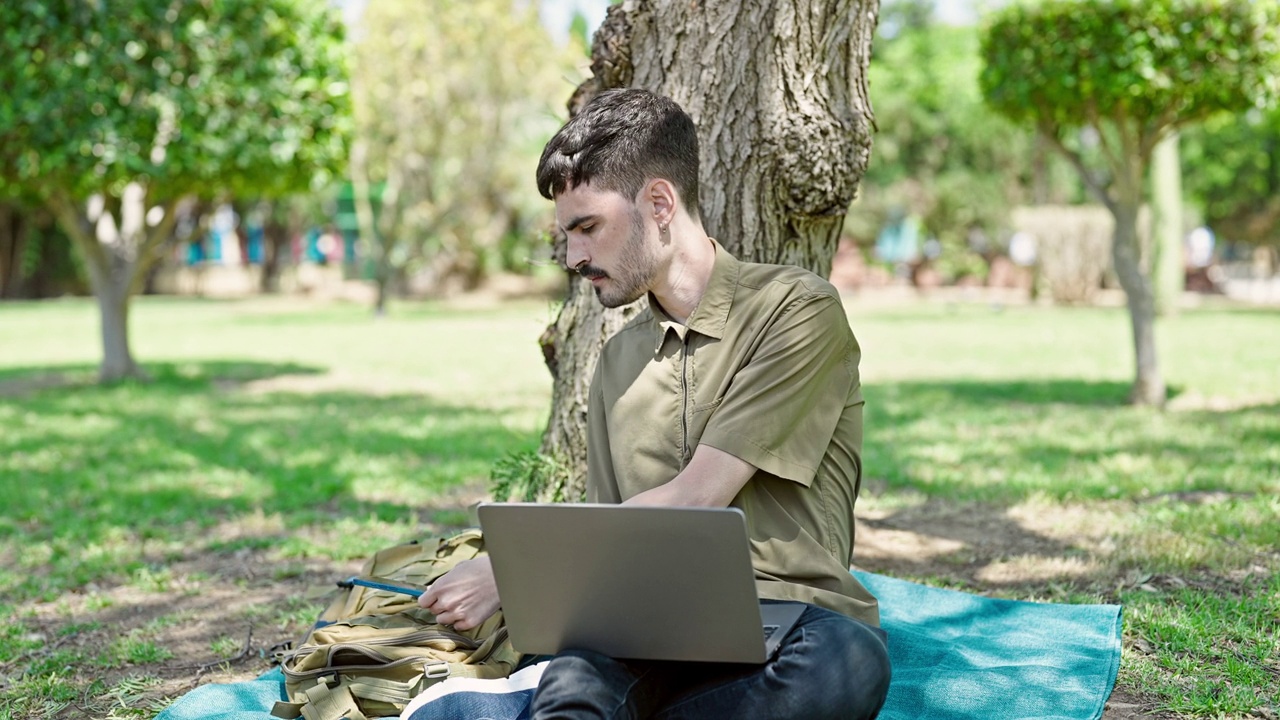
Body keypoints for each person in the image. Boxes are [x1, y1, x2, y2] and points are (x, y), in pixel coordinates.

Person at [418, 88, 891, 720]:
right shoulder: (616, 360)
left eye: (588, 227)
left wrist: (509, 576)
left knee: (845, 665)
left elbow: (697, 499)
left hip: (787, 619)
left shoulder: (796, 310)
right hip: (644, 622)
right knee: (578, 676)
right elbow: (609, 540)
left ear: (660, 203)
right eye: (567, 235)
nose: (574, 257)